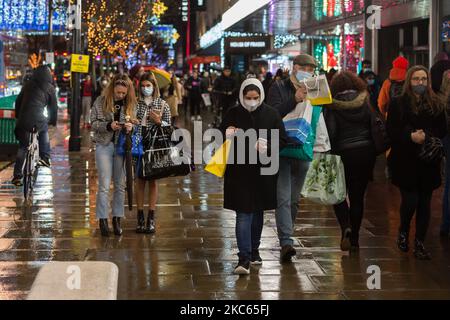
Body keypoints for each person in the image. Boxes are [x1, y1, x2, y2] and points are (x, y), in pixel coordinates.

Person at [220, 78, 287, 275]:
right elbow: (217, 133)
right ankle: (244, 258)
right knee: (243, 213)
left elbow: (282, 140)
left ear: (261, 96)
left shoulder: (271, 114)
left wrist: (268, 145)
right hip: (238, 172)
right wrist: (227, 133)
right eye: (248, 98)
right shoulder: (233, 113)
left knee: (257, 212)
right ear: (242, 96)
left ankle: (255, 250)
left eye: (255, 98)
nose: (251, 101)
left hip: (263, 172)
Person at [267, 54, 325, 262]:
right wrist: (294, 99)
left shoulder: (316, 88)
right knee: (282, 198)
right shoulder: (279, 87)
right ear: (295, 67)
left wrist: (322, 145)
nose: (308, 72)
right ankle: (286, 242)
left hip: (303, 149)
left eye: (312, 69)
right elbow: (272, 113)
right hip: (281, 149)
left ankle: (287, 234)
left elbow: (320, 118)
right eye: (305, 68)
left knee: (293, 200)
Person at [386, 65, 447, 260]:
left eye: (423, 79)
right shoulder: (398, 103)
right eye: (416, 79)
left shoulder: (436, 103)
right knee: (410, 200)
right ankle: (404, 230)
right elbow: (391, 131)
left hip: (428, 160)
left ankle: (420, 242)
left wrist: (426, 137)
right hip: (405, 160)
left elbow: (442, 130)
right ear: (409, 81)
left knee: (425, 203)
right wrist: (410, 136)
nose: (420, 83)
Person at [324, 71, 377, 252]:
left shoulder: (332, 106)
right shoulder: (365, 102)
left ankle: (345, 225)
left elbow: (330, 133)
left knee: (338, 195)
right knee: (357, 197)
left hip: (341, 156)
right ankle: (354, 238)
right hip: (365, 154)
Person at [90, 74, 137, 237]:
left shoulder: (131, 103)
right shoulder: (100, 102)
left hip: (122, 147)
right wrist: (109, 125)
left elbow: (137, 123)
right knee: (103, 184)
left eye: (123, 93)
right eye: (118, 92)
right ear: (112, 90)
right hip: (104, 144)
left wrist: (130, 126)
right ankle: (103, 219)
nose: (120, 96)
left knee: (120, 184)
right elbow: (93, 124)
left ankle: (117, 218)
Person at [134, 72, 171, 234]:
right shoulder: (135, 103)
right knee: (139, 180)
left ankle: (151, 218)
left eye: (148, 85)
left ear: (154, 86)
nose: (145, 88)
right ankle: (140, 217)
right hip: (138, 143)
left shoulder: (162, 104)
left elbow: (170, 128)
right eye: (142, 86)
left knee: (153, 180)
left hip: (155, 144)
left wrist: (159, 121)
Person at [12, 65, 57, 186]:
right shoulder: (50, 87)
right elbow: (53, 107)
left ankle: (17, 175)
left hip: (24, 120)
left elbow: (18, 101)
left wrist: (18, 116)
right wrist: (52, 121)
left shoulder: (27, 85)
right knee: (44, 131)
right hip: (38, 119)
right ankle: (45, 157)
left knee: (23, 147)